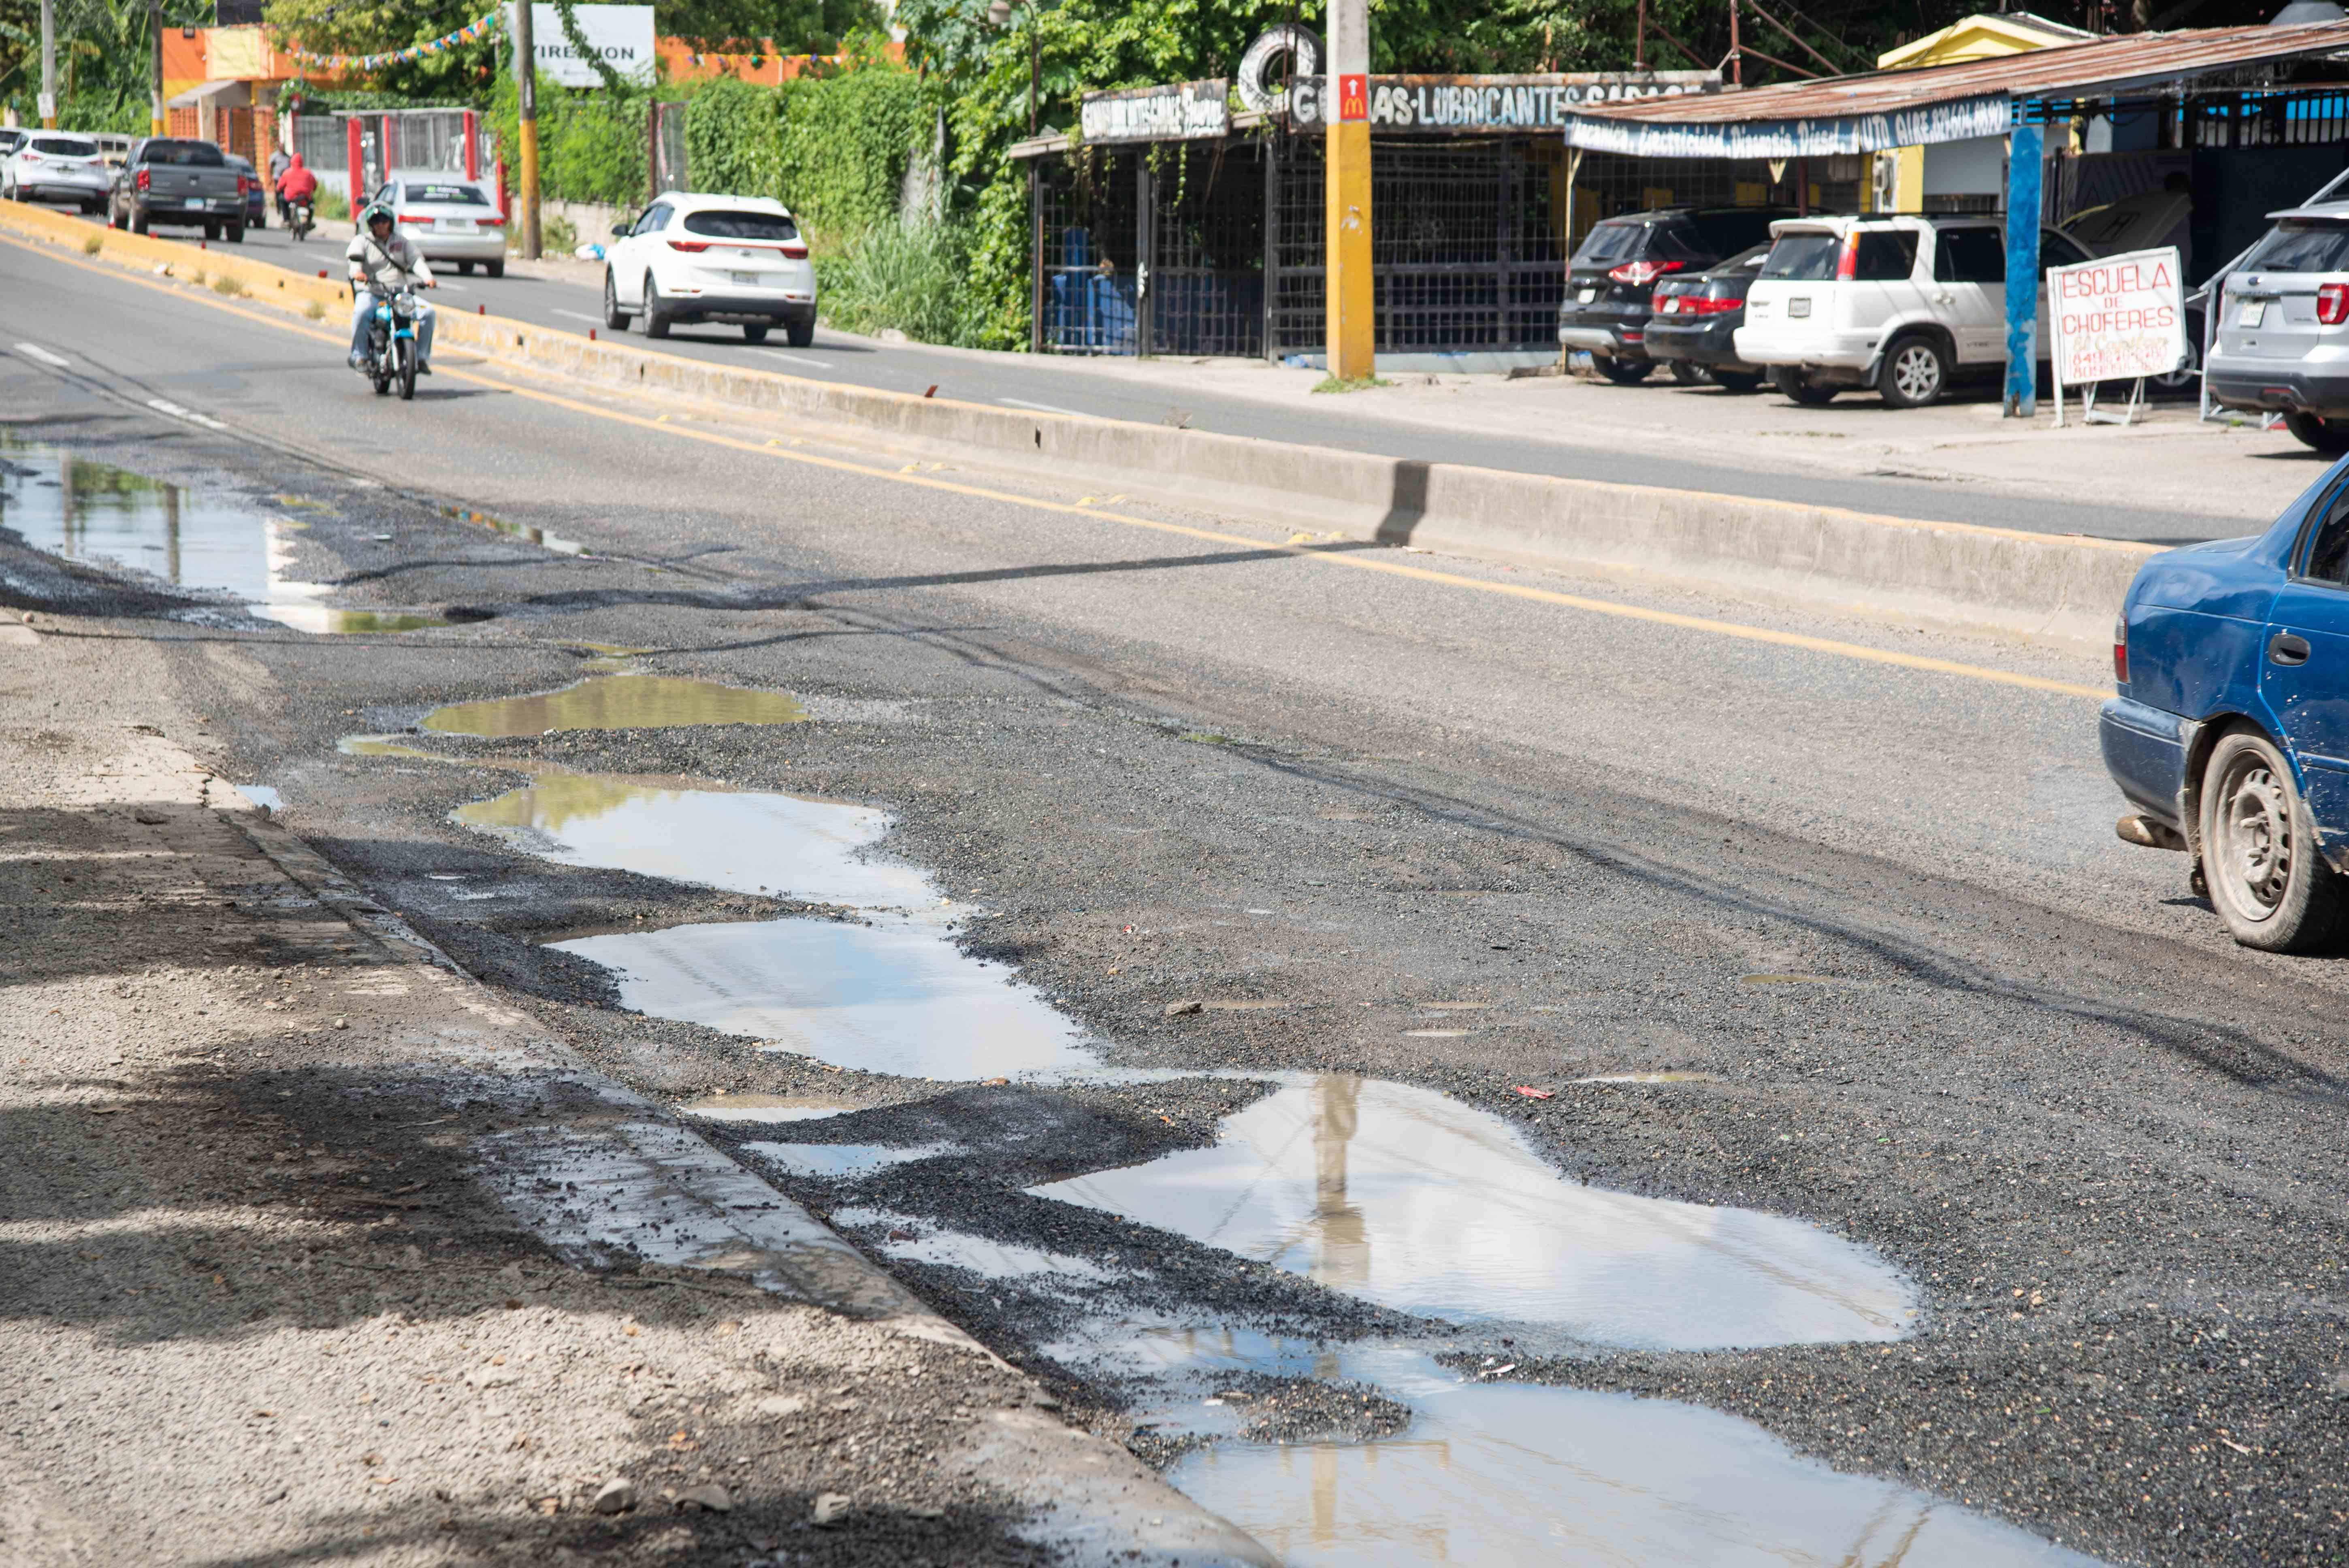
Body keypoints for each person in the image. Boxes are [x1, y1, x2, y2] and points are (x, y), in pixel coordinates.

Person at [345, 202, 436, 375]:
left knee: (429, 313)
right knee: (361, 313)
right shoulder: (362, 241)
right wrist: (358, 273)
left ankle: (421, 358)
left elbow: (416, 261)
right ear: (371, 224)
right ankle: (360, 356)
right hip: (372, 292)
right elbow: (354, 262)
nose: (381, 225)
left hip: (399, 295)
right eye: (376, 221)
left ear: (391, 222)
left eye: (384, 220)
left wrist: (428, 278)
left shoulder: (401, 242)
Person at [275, 153, 316, 227]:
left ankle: (287, 219)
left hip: (291, 198)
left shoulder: (287, 173)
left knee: (281, 198)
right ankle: (309, 221)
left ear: (292, 162)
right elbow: (315, 185)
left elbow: (279, 187)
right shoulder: (308, 173)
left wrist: (280, 190)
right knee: (312, 204)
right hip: (305, 198)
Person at [268, 146, 290, 220]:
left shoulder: (287, 157)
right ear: (279, 148)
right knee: (278, 193)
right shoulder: (275, 156)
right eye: (281, 148)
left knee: (286, 194)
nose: (283, 149)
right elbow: (271, 166)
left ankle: (286, 210)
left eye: (284, 147)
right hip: (278, 178)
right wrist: (270, 178)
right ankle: (279, 208)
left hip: (287, 178)